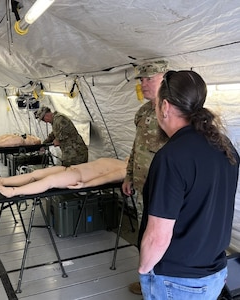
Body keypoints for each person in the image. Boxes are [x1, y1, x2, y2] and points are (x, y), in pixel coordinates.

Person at [138, 70, 239, 300]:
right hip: (214, 272)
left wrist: (144, 269)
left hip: (177, 279)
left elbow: (158, 237)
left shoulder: (171, 157)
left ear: (164, 106)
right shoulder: (226, 149)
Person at [121, 60, 169, 295]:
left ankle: (162, 286)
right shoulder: (144, 111)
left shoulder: (173, 111)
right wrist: (129, 175)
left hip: (163, 191)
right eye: (141, 79)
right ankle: (148, 283)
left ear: (164, 78)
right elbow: (136, 146)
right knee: (144, 236)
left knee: (161, 240)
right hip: (142, 186)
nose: (144, 83)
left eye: (150, 78)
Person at [0, 157, 127, 198]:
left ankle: (13, 191)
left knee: (49, 181)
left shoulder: (126, 170)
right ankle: (2, 180)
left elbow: (106, 179)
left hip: (79, 176)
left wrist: (85, 186)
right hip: (72, 169)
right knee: (36, 174)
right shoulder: (123, 161)